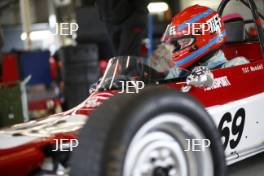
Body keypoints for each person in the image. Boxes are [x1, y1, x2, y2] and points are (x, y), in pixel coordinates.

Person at [148, 5, 249, 79]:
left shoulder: (236, 66)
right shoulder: (179, 71)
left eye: (185, 40)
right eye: (178, 41)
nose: (179, 44)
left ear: (205, 37)